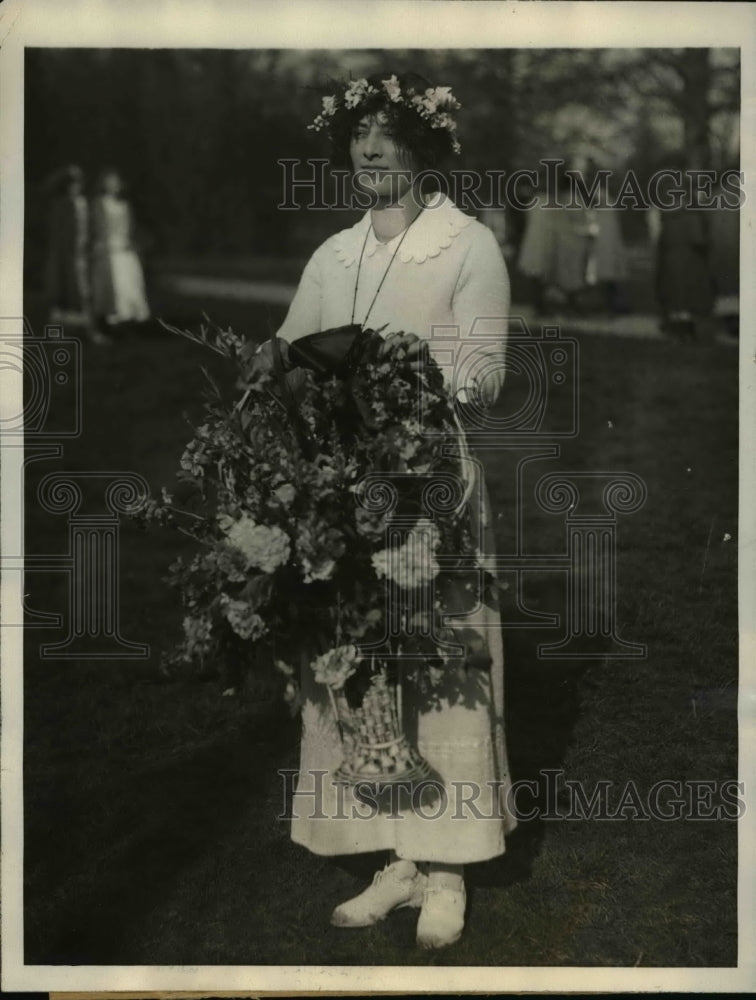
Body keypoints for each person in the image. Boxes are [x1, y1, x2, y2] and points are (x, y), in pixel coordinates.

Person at [258, 72, 516, 950]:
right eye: (358, 136)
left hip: (429, 484)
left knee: (441, 665)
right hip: (341, 487)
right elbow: (291, 352)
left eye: (387, 135)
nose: (370, 150)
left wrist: (408, 381)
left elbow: (485, 373)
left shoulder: (465, 244)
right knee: (361, 669)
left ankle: (449, 870)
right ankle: (397, 857)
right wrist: (276, 371)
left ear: (421, 146)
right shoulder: (334, 256)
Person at [44, 165, 107, 344]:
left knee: (85, 294)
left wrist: (90, 246)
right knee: (62, 295)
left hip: (83, 255)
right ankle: (58, 334)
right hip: (65, 257)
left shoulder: (83, 203)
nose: (75, 186)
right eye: (71, 183)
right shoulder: (60, 205)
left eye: (78, 182)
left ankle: (91, 331)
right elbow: (58, 235)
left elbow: (89, 229)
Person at [90, 168, 150, 333]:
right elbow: (96, 227)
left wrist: (131, 242)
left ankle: (131, 317)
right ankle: (113, 317)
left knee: (131, 279)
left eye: (116, 182)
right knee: (114, 281)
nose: (114, 185)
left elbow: (130, 228)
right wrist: (100, 243)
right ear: (104, 184)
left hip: (125, 245)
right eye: (110, 182)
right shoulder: (99, 203)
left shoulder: (125, 205)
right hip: (107, 247)